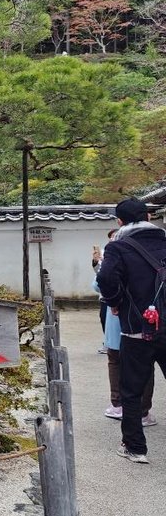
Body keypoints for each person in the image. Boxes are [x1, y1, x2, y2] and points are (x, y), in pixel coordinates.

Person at [97, 198, 166, 464]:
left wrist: (115, 303)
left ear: (119, 222)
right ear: (149, 216)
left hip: (138, 329)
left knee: (132, 390)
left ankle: (135, 447)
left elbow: (105, 279)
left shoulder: (118, 247)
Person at [95, 273, 155, 424]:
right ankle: (143, 411)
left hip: (117, 318)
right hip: (145, 316)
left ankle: (117, 404)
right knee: (145, 364)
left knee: (115, 361)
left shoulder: (115, 255)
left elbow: (98, 283)